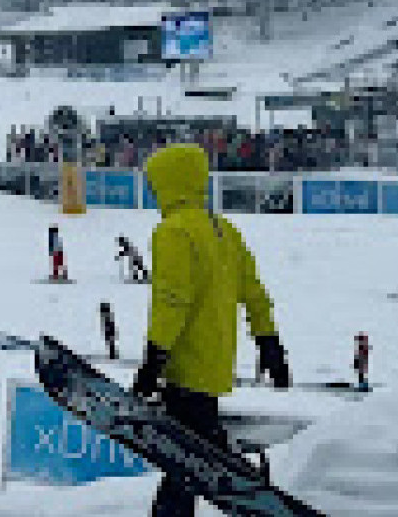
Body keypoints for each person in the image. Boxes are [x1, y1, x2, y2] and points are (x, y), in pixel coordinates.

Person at [133, 143, 288, 517]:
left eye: (156, 186)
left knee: (184, 462)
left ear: (170, 184)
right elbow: (254, 293)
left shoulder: (172, 231)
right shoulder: (225, 231)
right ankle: (227, 458)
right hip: (215, 366)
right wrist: (270, 346)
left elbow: (172, 301)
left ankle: (237, 466)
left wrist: (154, 362)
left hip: (183, 369)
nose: (154, 195)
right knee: (186, 460)